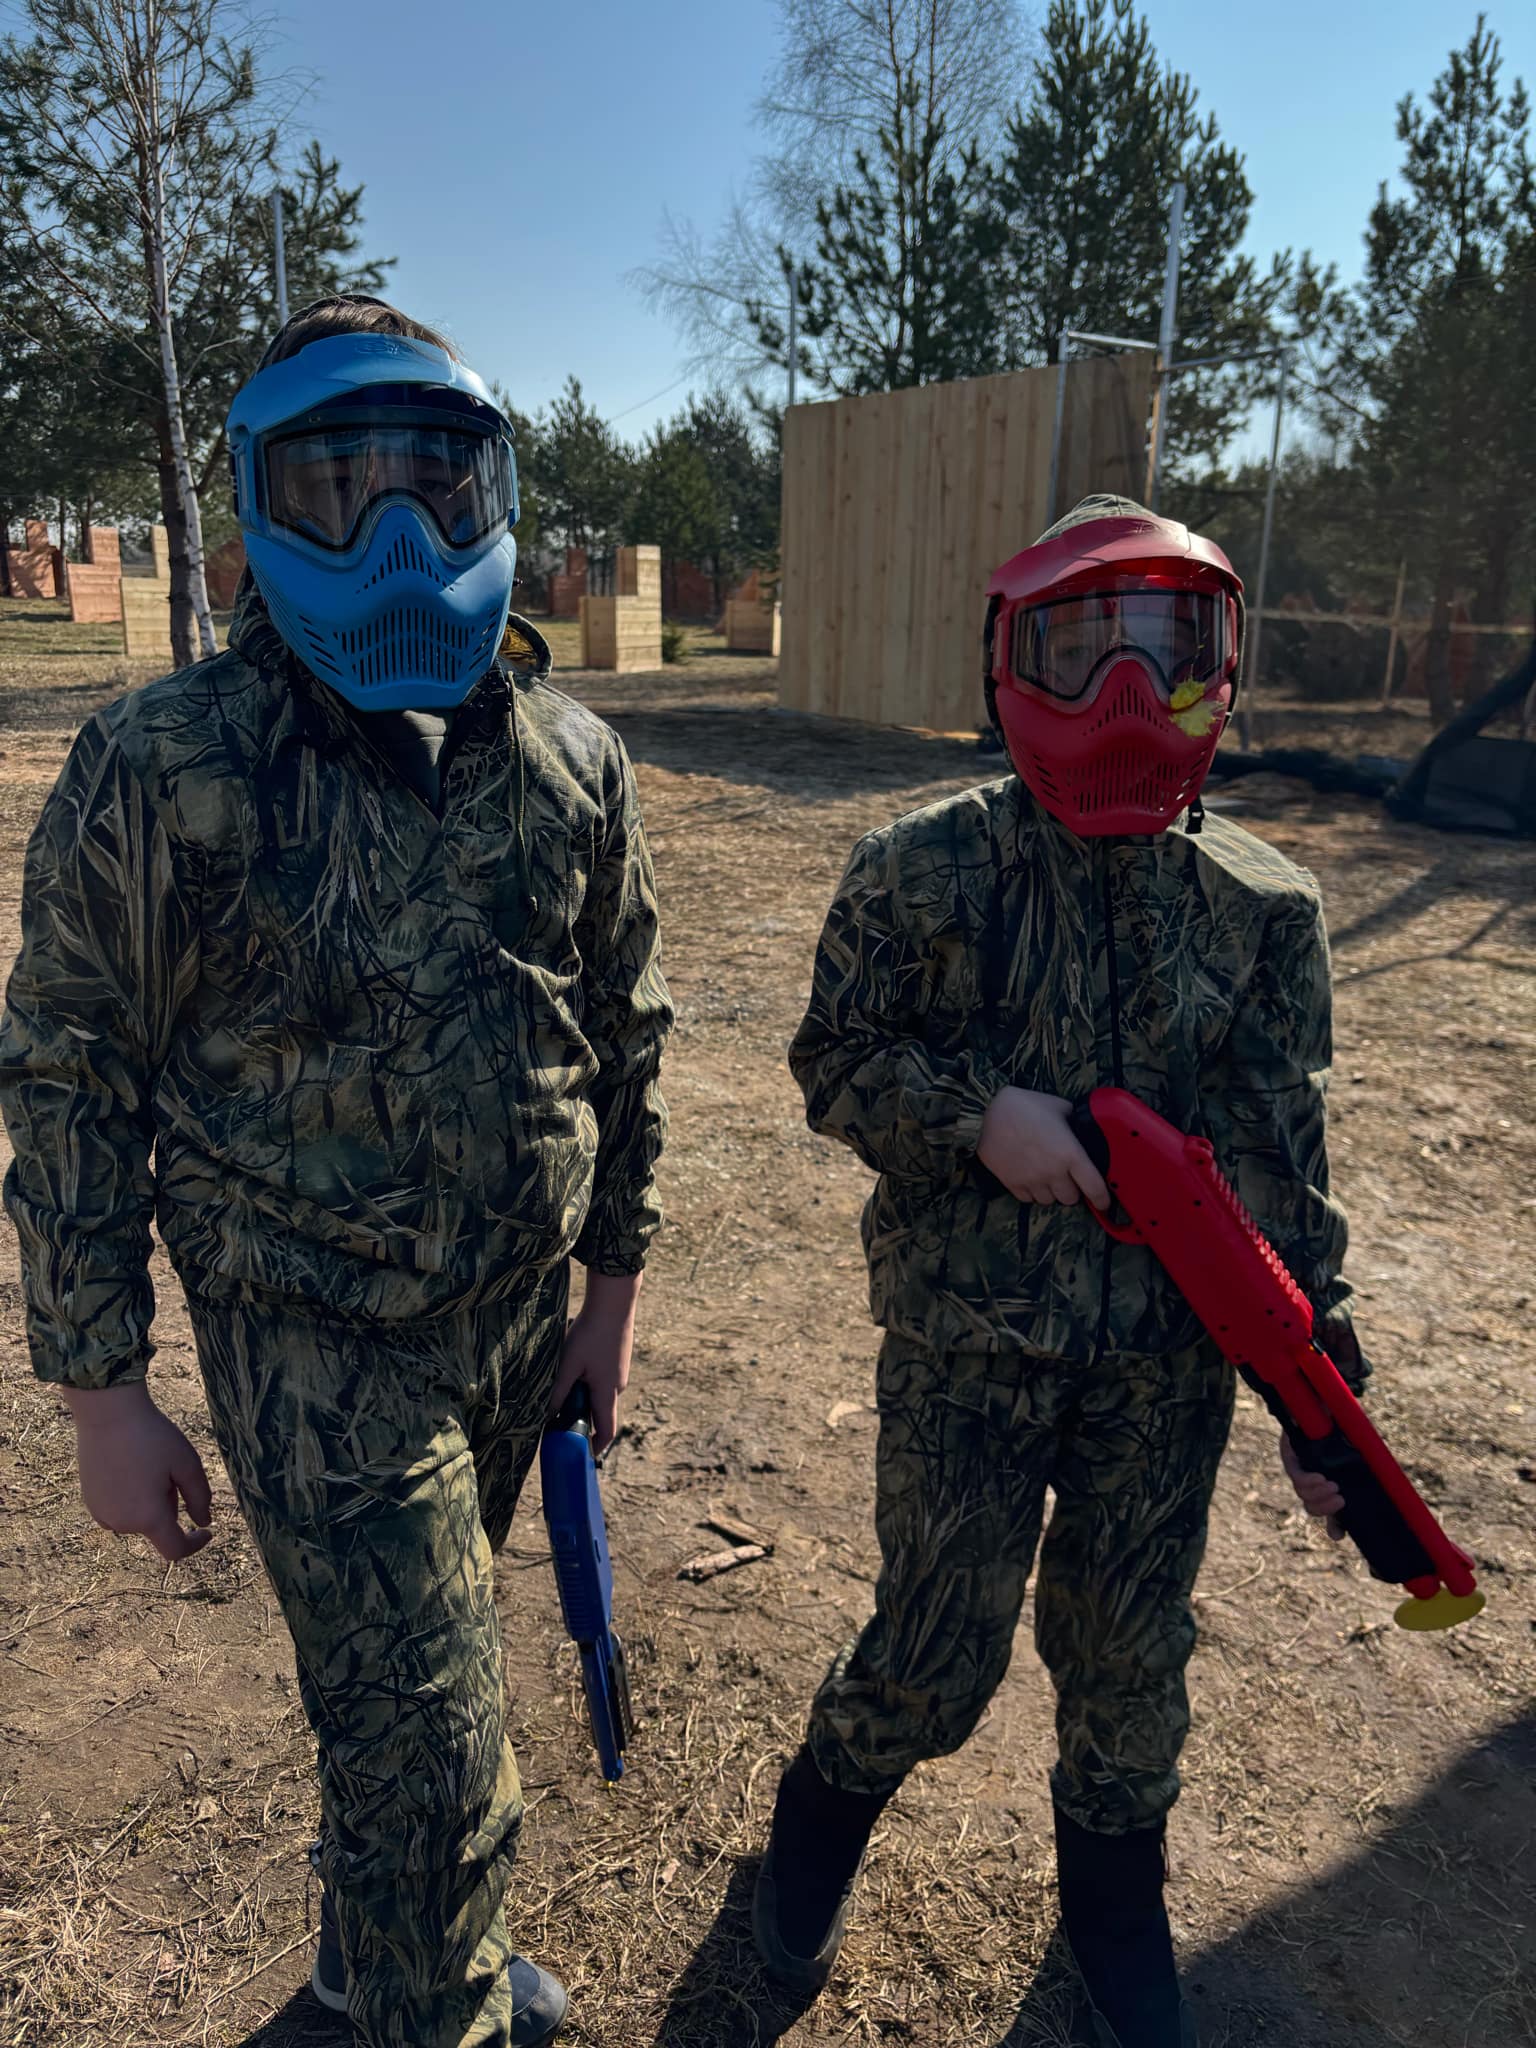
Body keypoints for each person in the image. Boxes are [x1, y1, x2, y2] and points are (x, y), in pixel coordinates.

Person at [0, 296, 672, 2048]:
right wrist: (102, 1394)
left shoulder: (569, 763)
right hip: (311, 1347)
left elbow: (625, 1031)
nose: (396, 540)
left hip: (516, 1332)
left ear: (493, 493)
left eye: (434, 486)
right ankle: (429, 1990)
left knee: (403, 1707)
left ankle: (368, 1967)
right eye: (337, 487)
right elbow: (71, 1073)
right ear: (255, 508)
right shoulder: (166, 766)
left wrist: (609, 1296)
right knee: (442, 1762)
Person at [751, 496, 1365, 2048]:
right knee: (932, 1648)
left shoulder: (1262, 908)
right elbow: (834, 1060)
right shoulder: (921, 871)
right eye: (1086, 649)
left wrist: (1322, 1379)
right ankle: (816, 1822)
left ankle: (1113, 1903)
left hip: (1165, 1367)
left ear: (1226, 667)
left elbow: (1280, 1158)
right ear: (1008, 660)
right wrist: (980, 1119)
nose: (1130, 697)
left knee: (1127, 1654)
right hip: (966, 1347)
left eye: (1171, 651)